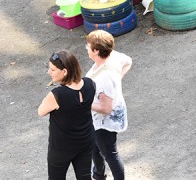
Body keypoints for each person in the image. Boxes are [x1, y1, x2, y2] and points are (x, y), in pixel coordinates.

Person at [38, 50, 97, 180]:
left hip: (62, 148)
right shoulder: (90, 84)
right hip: (86, 141)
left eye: (52, 70)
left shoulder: (56, 95)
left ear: (64, 72)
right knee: (85, 177)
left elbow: (41, 111)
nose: (49, 72)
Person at [86, 30, 132, 180]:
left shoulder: (103, 78)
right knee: (94, 147)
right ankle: (98, 175)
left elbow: (106, 109)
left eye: (88, 45)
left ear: (96, 51)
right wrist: (118, 78)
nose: (86, 47)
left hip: (104, 123)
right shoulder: (113, 57)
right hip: (96, 120)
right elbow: (128, 61)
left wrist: (85, 104)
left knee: (109, 154)